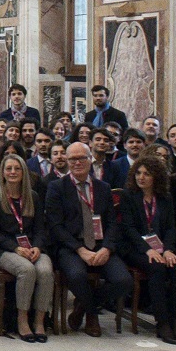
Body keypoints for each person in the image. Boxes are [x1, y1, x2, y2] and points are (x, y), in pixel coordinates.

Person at [46, 141, 129, 337]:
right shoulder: (56, 187)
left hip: (101, 245)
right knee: (76, 276)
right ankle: (92, 315)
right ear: (66, 161)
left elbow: (112, 223)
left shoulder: (103, 187)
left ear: (90, 159)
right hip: (71, 247)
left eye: (82, 158)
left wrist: (106, 249)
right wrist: (80, 250)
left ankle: (82, 307)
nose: (77, 162)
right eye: (72, 159)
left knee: (124, 281)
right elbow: (56, 226)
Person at [119, 155, 176, 344]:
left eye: (146, 174)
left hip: (161, 247)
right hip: (135, 249)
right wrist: (147, 250)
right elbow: (128, 228)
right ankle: (162, 322)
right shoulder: (128, 196)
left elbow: (171, 228)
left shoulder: (165, 198)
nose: (141, 177)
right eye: (138, 173)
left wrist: (168, 250)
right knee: (157, 268)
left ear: (156, 177)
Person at [0, 152, 51, 342]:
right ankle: (22, 320)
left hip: (32, 248)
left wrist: (37, 246)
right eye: (9, 168)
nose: (13, 172)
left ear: (23, 172)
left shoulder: (33, 197)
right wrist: (15, 248)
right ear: (2, 173)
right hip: (3, 250)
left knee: (45, 271)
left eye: (17, 168)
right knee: (27, 270)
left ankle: (39, 321)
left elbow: (40, 228)